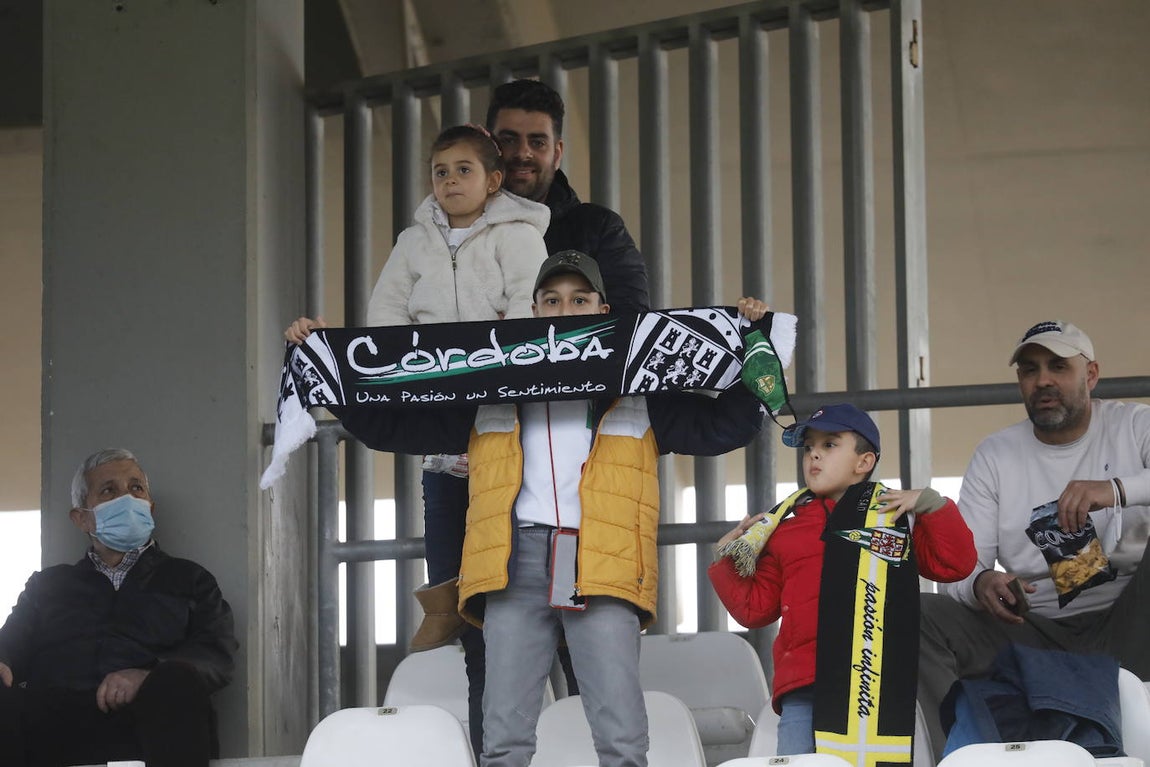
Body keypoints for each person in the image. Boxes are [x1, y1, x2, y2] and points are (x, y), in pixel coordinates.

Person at [332, 251, 766, 767]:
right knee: (504, 739)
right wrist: (324, 370)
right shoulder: (488, 386)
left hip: (603, 564)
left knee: (622, 738)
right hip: (514, 565)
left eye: (580, 300)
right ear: (534, 312)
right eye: (553, 300)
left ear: (603, 310)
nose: (566, 309)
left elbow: (726, 426)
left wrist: (754, 342)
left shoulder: (638, 391)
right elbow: (393, 425)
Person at [285, 123, 550, 753]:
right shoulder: (412, 242)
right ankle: (493, 754)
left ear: (494, 181)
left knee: (530, 609)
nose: (450, 181)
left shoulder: (520, 236)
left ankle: (553, 743)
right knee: (468, 612)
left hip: (512, 449)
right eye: (439, 171)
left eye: (464, 170)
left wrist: (470, 360)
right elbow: (385, 322)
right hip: (444, 457)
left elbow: (530, 316)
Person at [918, 320, 1150, 759]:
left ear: (1091, 375)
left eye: (1058, 366)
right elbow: (959, 566)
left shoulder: (1135, 424)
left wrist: (1116, 490)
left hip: (1131, 622)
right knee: (921, 614)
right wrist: (982, 582)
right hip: (1032, 633)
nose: (1042, 380)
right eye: (1029, 369)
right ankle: (958, 754)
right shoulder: (995, 454)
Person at [709, 404, 976, 755]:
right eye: (809, 447)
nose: (814, 454)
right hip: (804, 687)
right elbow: (754, 610)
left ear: (864, 462)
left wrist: (931, 505)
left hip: (874, 686)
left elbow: (955, 565)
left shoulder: (895, 516)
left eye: (829, 444)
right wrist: (727, 560)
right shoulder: (782, 530)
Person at [0, 448, 237, 767]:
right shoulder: (47, 585)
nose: (127, 498)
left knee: (177, 681)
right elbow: (10, 643)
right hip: (54, 726)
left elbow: (216, 654)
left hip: (147, 724)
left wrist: (150, 675)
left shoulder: (190, 579)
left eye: (136, 488)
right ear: (82, 518)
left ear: (150, 508)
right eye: (109, 490)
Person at [486, 78, 650, 316]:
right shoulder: (447, 227)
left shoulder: (599, 229)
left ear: (557, 154)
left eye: (538, 142)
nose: (523, 153)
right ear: (488, 147)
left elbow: (630, 323)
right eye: (508, 140)